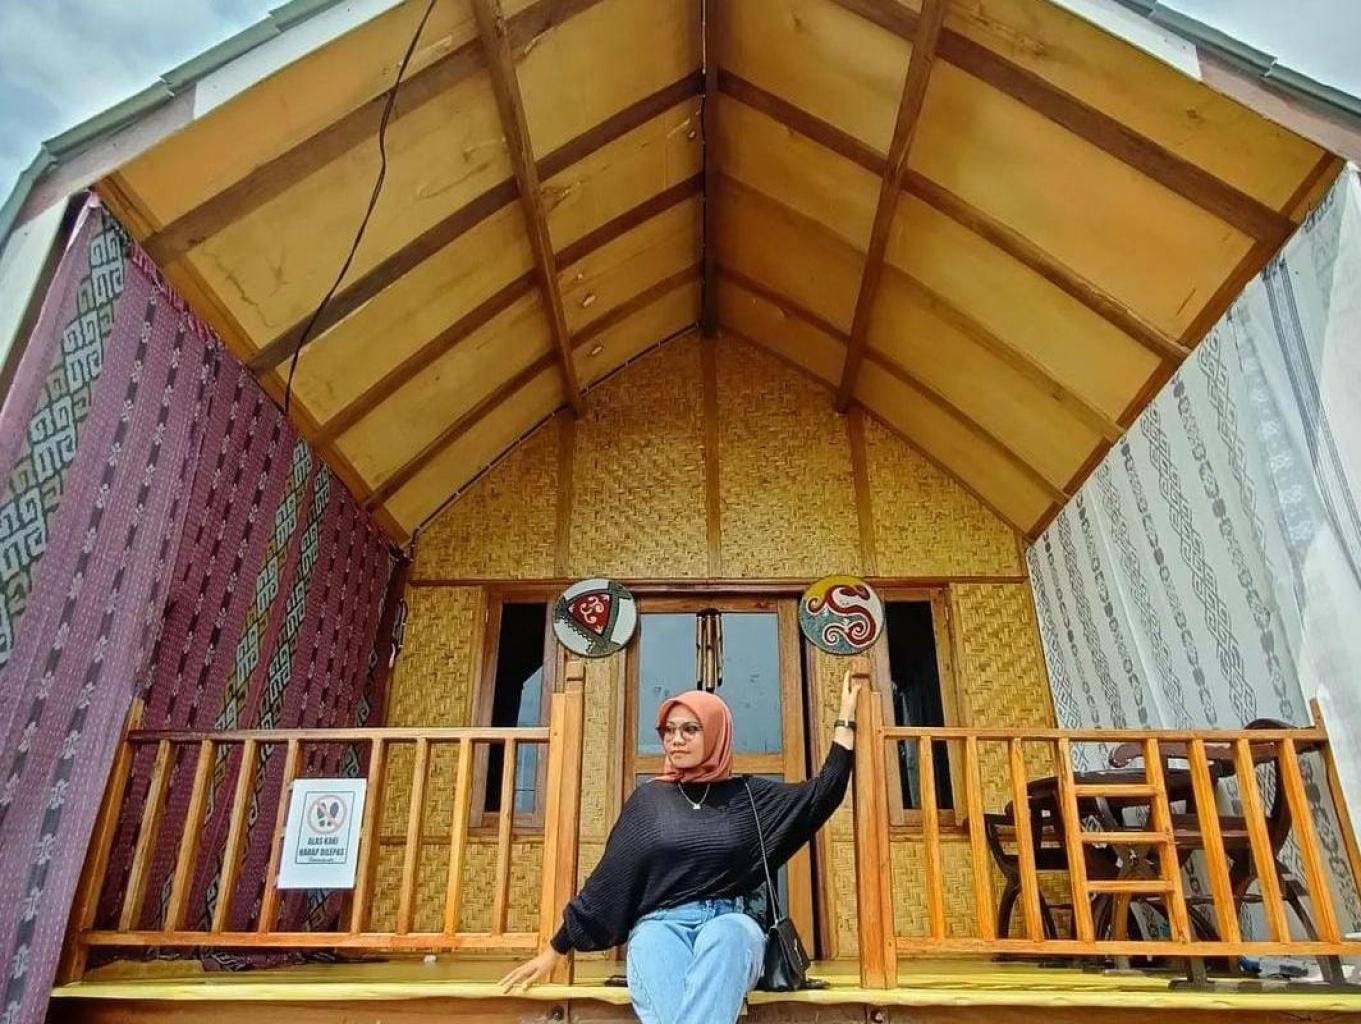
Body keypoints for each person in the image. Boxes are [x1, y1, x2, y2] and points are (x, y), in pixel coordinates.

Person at [499, 670, 863, 1024]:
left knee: (730, 935)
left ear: (717, 732)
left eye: (690, 729)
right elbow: (609, 880)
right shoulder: (649, 801)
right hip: (660, 927)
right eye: (669, 730)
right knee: (651, 944)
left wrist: (845, 721)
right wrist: (556, 949)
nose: (676, 739)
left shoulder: (750, 798)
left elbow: (823, 794)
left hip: (729, 924)